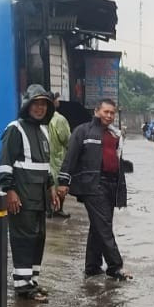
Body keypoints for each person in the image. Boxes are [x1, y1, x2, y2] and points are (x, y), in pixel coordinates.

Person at [57, 98, 132, 281]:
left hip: (112, 185)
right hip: (92, 185)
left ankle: (92, 266)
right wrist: (63, 181)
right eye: (106, 112)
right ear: (96, 111)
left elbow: (116, 160)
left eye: (112, 113)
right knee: (104, 226)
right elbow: (70, 157)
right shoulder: (83, 131)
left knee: (98, 226)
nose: (109, 115)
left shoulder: (115, 134)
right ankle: (115, 266)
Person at [0, 85, 60, 302]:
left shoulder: (43, 131)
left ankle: (31, 281)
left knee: (38, 238)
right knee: (23, 239)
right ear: (27, 105)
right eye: (36, 104)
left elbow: (45, 166)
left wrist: (51, 188)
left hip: (40, 197)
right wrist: (9, 191)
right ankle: (23, 286)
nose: (40, 108)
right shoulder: (15, 129)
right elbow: (4, 164)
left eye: (44, 104)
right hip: (21, 197)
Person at [47, 92, 72, 219]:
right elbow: (67, 139)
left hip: (45, 159)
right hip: (57, 159)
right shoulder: (59, 119)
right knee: (60, 185)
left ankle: (48, 210)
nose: (59, 101)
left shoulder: (41, 118)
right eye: (57, 99)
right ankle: (58, 209)